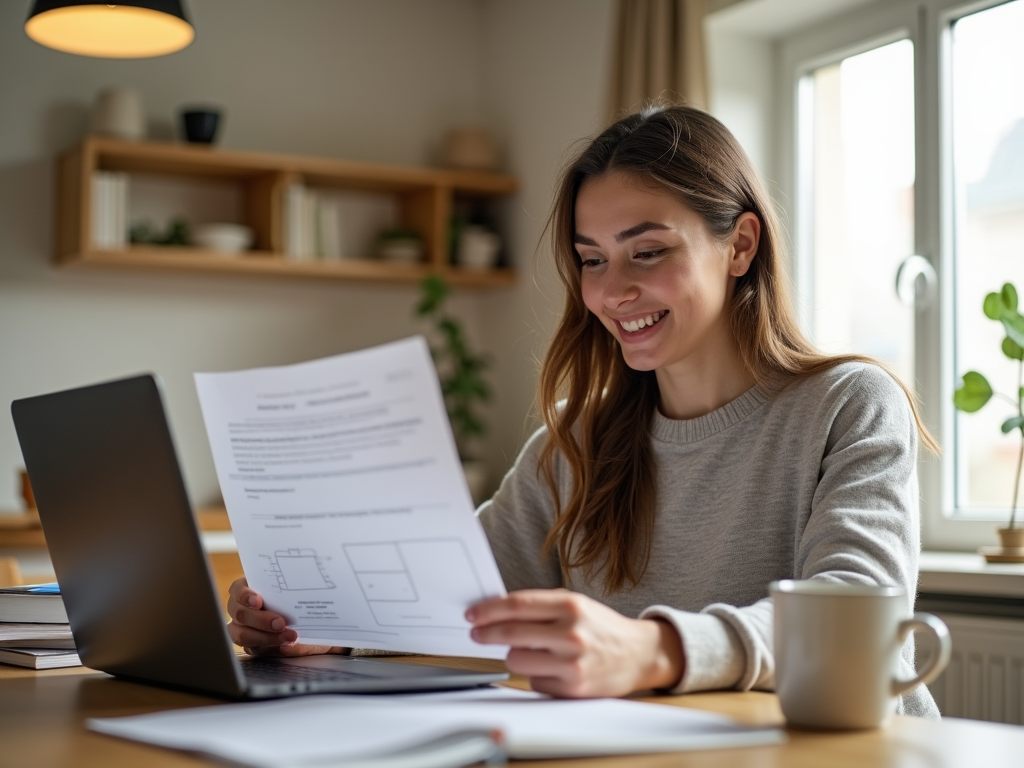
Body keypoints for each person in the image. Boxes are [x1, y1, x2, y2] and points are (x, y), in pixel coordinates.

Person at [225, 104, 940, 717]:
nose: (611, 292)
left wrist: (652, 649)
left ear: (740, 246)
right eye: (592, 260)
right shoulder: (575, 442)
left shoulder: (848, 404)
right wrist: (330, 627)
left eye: (648, 251)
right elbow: (454, 591)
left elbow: (859, 623)